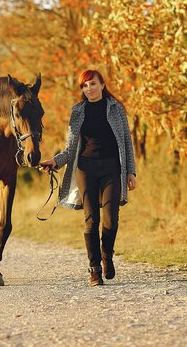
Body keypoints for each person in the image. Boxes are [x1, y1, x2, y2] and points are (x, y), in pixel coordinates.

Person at [40, 69, 137, 286]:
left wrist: (131, 171)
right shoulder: (78, 111)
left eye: (92, 84)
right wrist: (55, 161)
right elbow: (70, 148)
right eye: (84, 86)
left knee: (111, 218)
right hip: (86, 169)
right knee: (91, 220)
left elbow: (126, 141)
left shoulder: (116, 108)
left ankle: (107, 256)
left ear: (102, 85)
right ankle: (94, 268)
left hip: (113, 168)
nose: (89, 89)